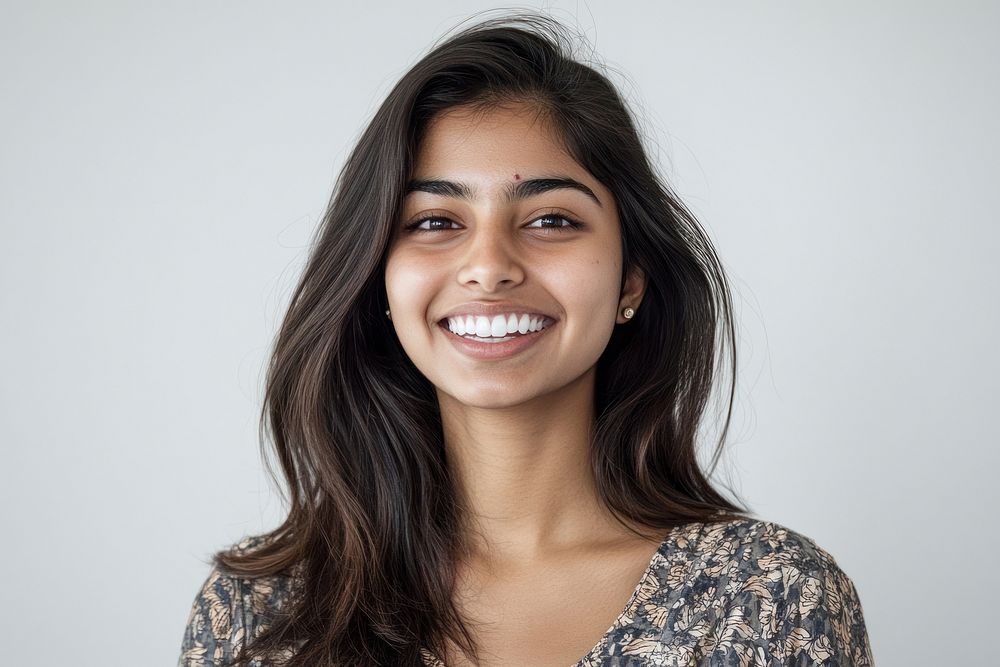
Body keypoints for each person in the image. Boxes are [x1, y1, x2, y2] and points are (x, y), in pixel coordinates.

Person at [177, 11, 873, 667]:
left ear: (632, 279)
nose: (488, 266)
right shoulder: (259, 613)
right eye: (434, 221)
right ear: (378, 282)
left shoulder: (773, 598)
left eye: (550, 220)